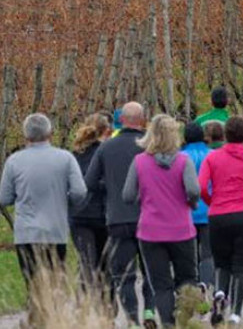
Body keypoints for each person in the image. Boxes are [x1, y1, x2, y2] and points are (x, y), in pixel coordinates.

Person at [0, 113, 87, 324]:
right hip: (55, 231)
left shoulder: (14, 161)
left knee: (32, 281)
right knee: (55, 281)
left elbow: (4, 197)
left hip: (26, 233)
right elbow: (80, 192)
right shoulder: (65, 158)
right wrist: (64, 202)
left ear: (25, 135)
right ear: (50, 133)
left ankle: (35, 318)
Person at [122, 114, 200, 329]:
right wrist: (190, 202)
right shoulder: (184, 161)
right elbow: (194, 190)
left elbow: (127, 196)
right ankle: (185, 321)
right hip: (181, 230)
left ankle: (167, 324)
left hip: (150, 232)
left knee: (161, 285)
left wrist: (144, 198)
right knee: (187, 280)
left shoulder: (139, 162)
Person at [85, 101, 156, 328]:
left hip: (117, 218)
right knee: (151, 271)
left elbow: (89, 182)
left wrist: (111, 188)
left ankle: (132, 319)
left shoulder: (106, 148)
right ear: (143, 120)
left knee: (124, 275)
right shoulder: (150, 146)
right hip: (150, 218)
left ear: (121, 120)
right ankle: (149, 312)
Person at [199, 116, 243, 325]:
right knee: (240, 267)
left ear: (226, 135)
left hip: (218, 215)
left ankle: (220, 292)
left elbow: (201, 186)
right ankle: (236, 314)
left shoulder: (212, 158)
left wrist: (212, 202)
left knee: (221, 263)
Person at [70, 112, 111, 294]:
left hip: (79, 214)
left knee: (86, 262)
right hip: (103, 213)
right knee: (105, 263)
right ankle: (106, 306)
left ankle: (85, 305)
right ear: (106, 131)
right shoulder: (107, 152)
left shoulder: (74, 155)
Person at [180, 122, 214, 286]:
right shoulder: (213, 155)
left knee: (189, 255)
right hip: (210, 210)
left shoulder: (179, 157)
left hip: (186, 212)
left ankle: (192, 286)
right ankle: (207, 286)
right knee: (208, 254)